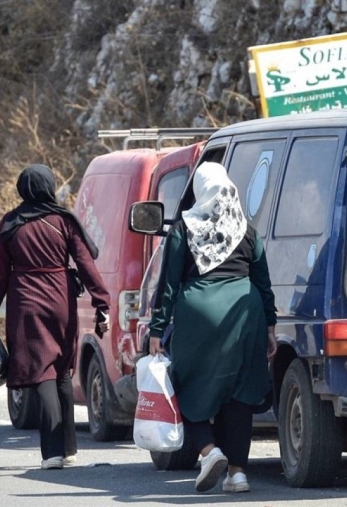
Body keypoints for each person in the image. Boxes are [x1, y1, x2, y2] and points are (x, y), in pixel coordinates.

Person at [148, 162, 277, 494]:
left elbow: (168, 285)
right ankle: (237, 474)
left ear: (200, 192)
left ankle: (208, 451)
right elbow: (263, 283)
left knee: (185, 385)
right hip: (245, 314)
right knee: (239, 393)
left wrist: (156, 329)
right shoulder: (248, 231)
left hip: (199, 313)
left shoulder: (183, 229)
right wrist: (271, 327)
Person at [0, 164, 111, 470]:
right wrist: (100, 299)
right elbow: (85, 262)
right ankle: (67, 449)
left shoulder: (10, 223)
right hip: (60, 298)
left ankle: (52, 452)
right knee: (62, 369)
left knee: (42, 371)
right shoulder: (64, 220)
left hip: (26, 301)